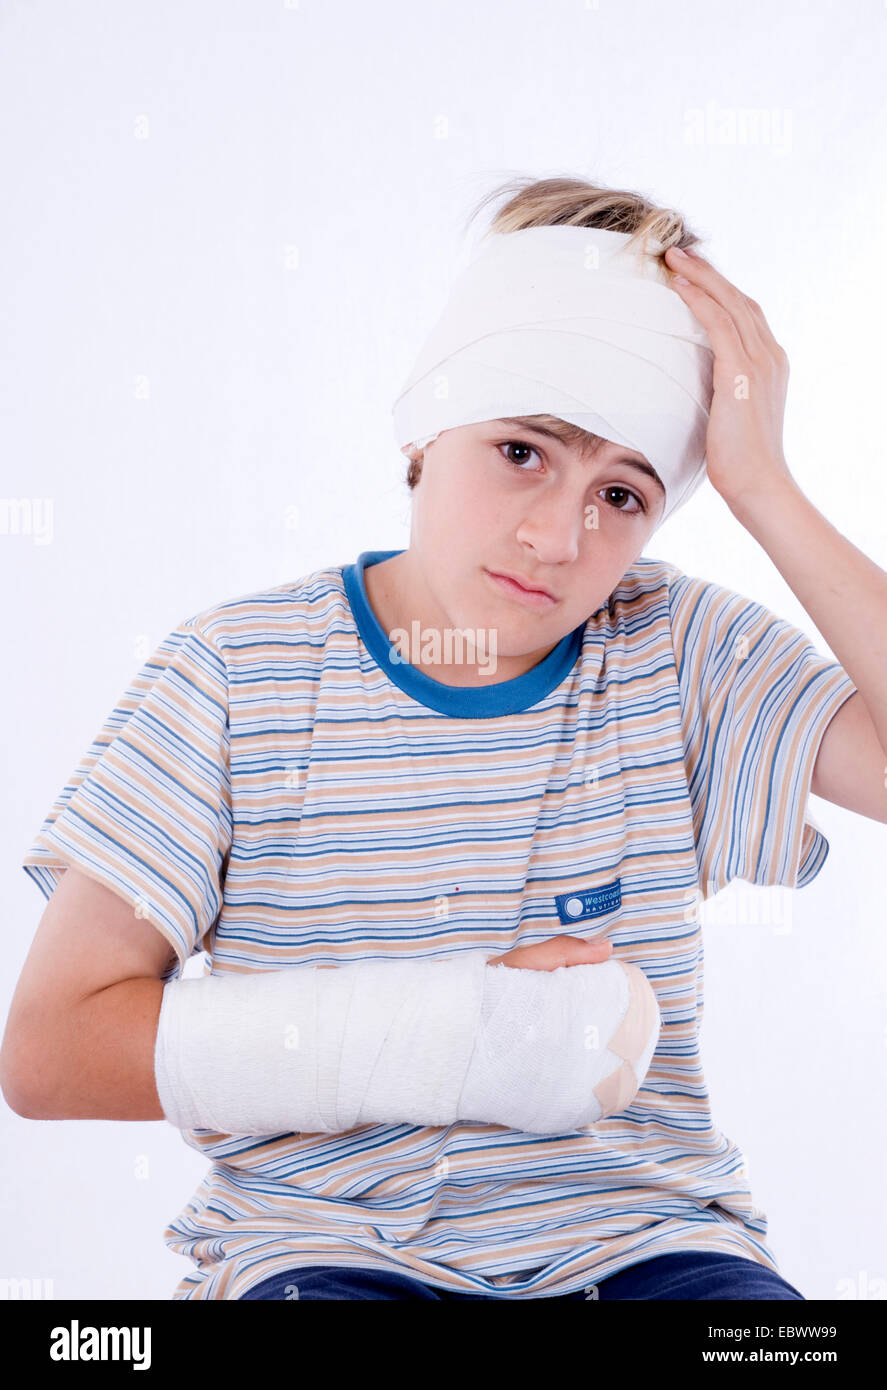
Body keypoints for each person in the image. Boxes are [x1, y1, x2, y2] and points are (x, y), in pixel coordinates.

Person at [5, 176, 884, 1302]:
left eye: (622, 493)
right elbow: (48, 1052)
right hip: (320, 1248)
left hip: (650, 1247)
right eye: (521, 449)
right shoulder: (234, 674)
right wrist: (479, 1032)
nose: (554, 536)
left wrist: (764, 486)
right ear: (424, 430)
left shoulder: (676, 651)